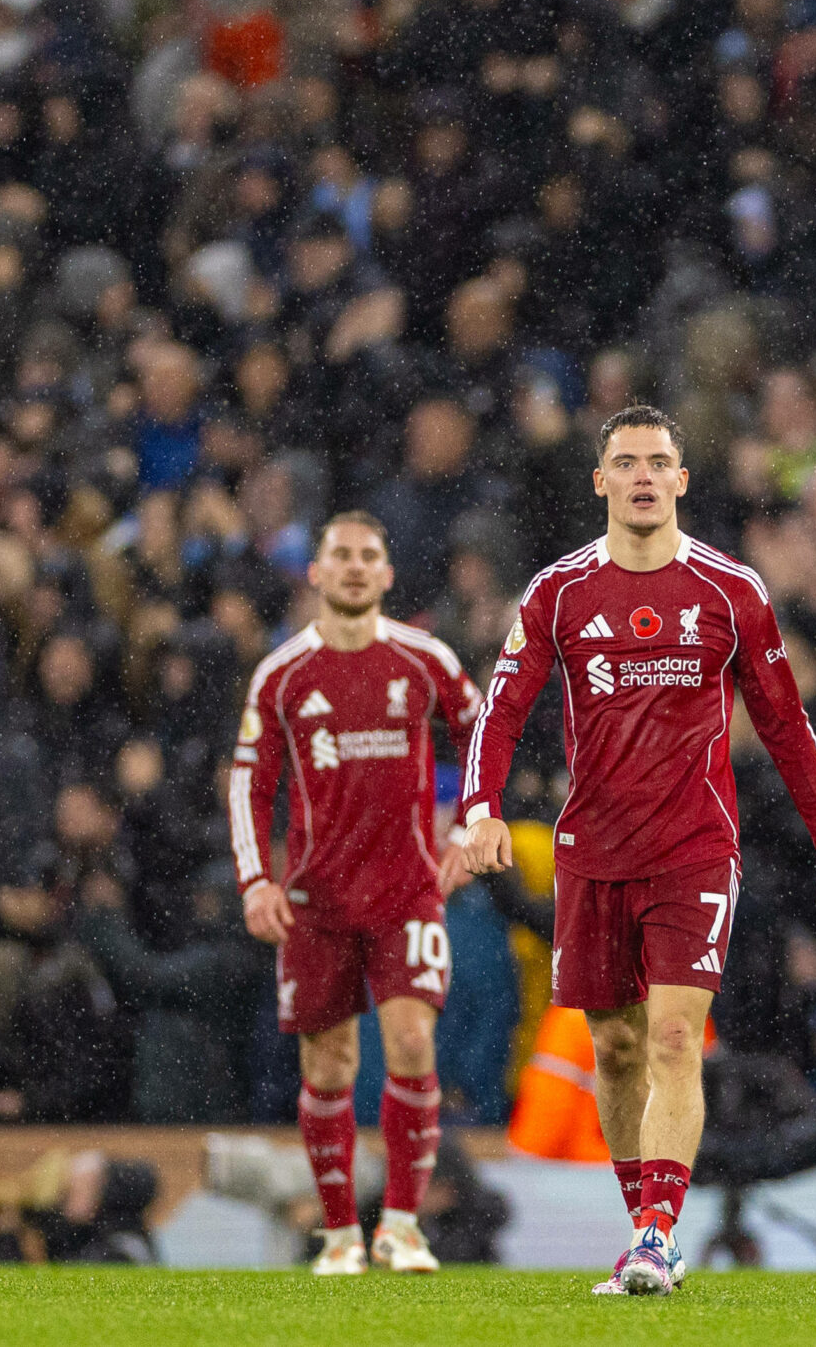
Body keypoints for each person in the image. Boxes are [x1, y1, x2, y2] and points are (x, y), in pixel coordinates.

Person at [459, 404, 816, 1296]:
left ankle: (654, 1235)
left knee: (675, 1035)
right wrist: (481, 807)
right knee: (614, 1047)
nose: (643, 476)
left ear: (681, 480)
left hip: (694, 848)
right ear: (600, 481)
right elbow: (503, 703)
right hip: (593, 851)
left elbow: (787, 726)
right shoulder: (560, 592)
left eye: (658, 461)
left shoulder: (730, 590)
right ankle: (647, 1222)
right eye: (625, 462)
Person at [228, 512, 484, 1276]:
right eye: (338, 554)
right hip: (317, 901)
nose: (352, 567)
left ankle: (402, 1226)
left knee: (411, 1043)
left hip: (408, 888)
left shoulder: (424, 658)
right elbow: (250, 781)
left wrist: (473, 830)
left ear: (387, 574)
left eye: (368, 556)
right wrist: (254, 880)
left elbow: (486, 732)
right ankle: (340, 1235)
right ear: (315, 572)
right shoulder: (281, 675)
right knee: (328, 1066)